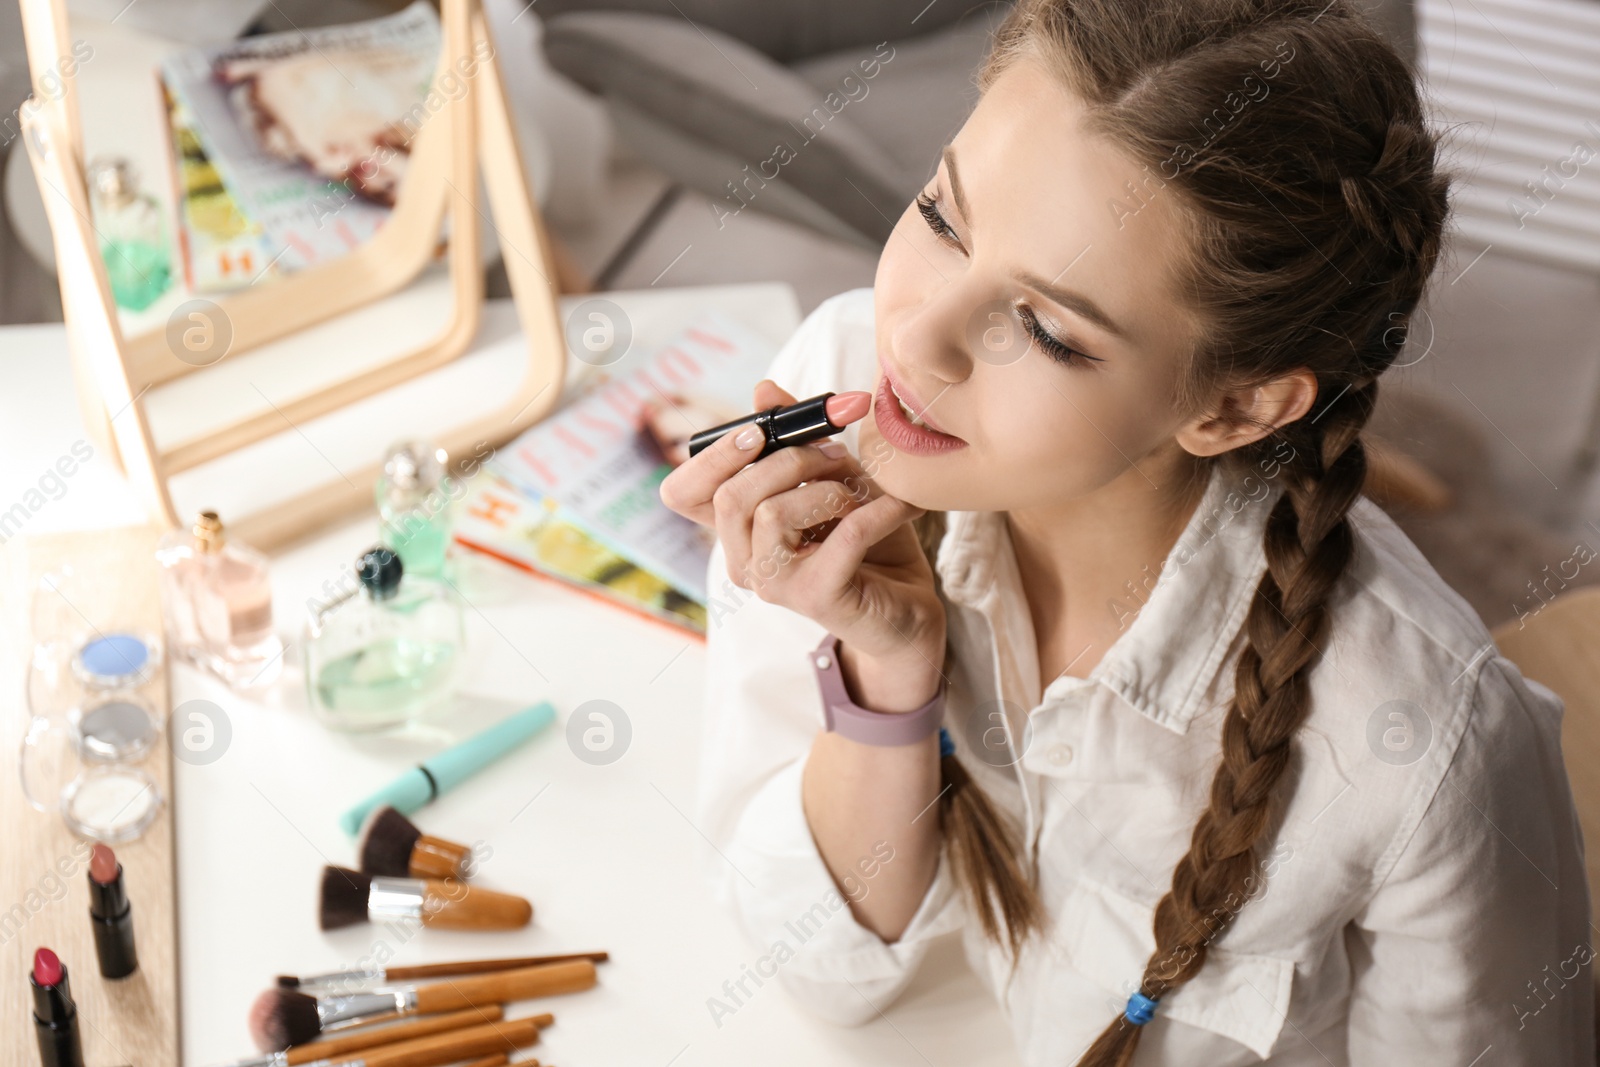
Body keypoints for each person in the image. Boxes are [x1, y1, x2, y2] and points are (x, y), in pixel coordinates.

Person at [657, 1, 1595, 1063]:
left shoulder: (1419, 751)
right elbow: (813, 970)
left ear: (1235, 409)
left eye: (1046, 330)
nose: (914, 340)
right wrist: (884, 672)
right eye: (940, 217)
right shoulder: (843, 385)